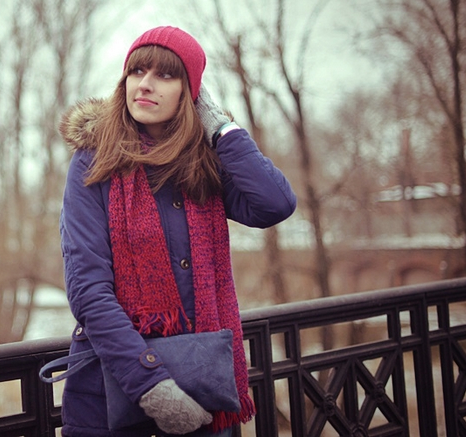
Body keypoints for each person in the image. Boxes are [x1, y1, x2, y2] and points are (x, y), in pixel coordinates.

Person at [57, 26, 296, 437]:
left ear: (191, 93)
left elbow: (275, 203)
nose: (145, 85)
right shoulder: (93, 162)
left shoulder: (204, 163)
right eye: (136, 71)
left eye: (165, 75)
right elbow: (88, 290)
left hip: (203, 390)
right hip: (112, 399)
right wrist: (153, 387)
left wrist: (221, 129)